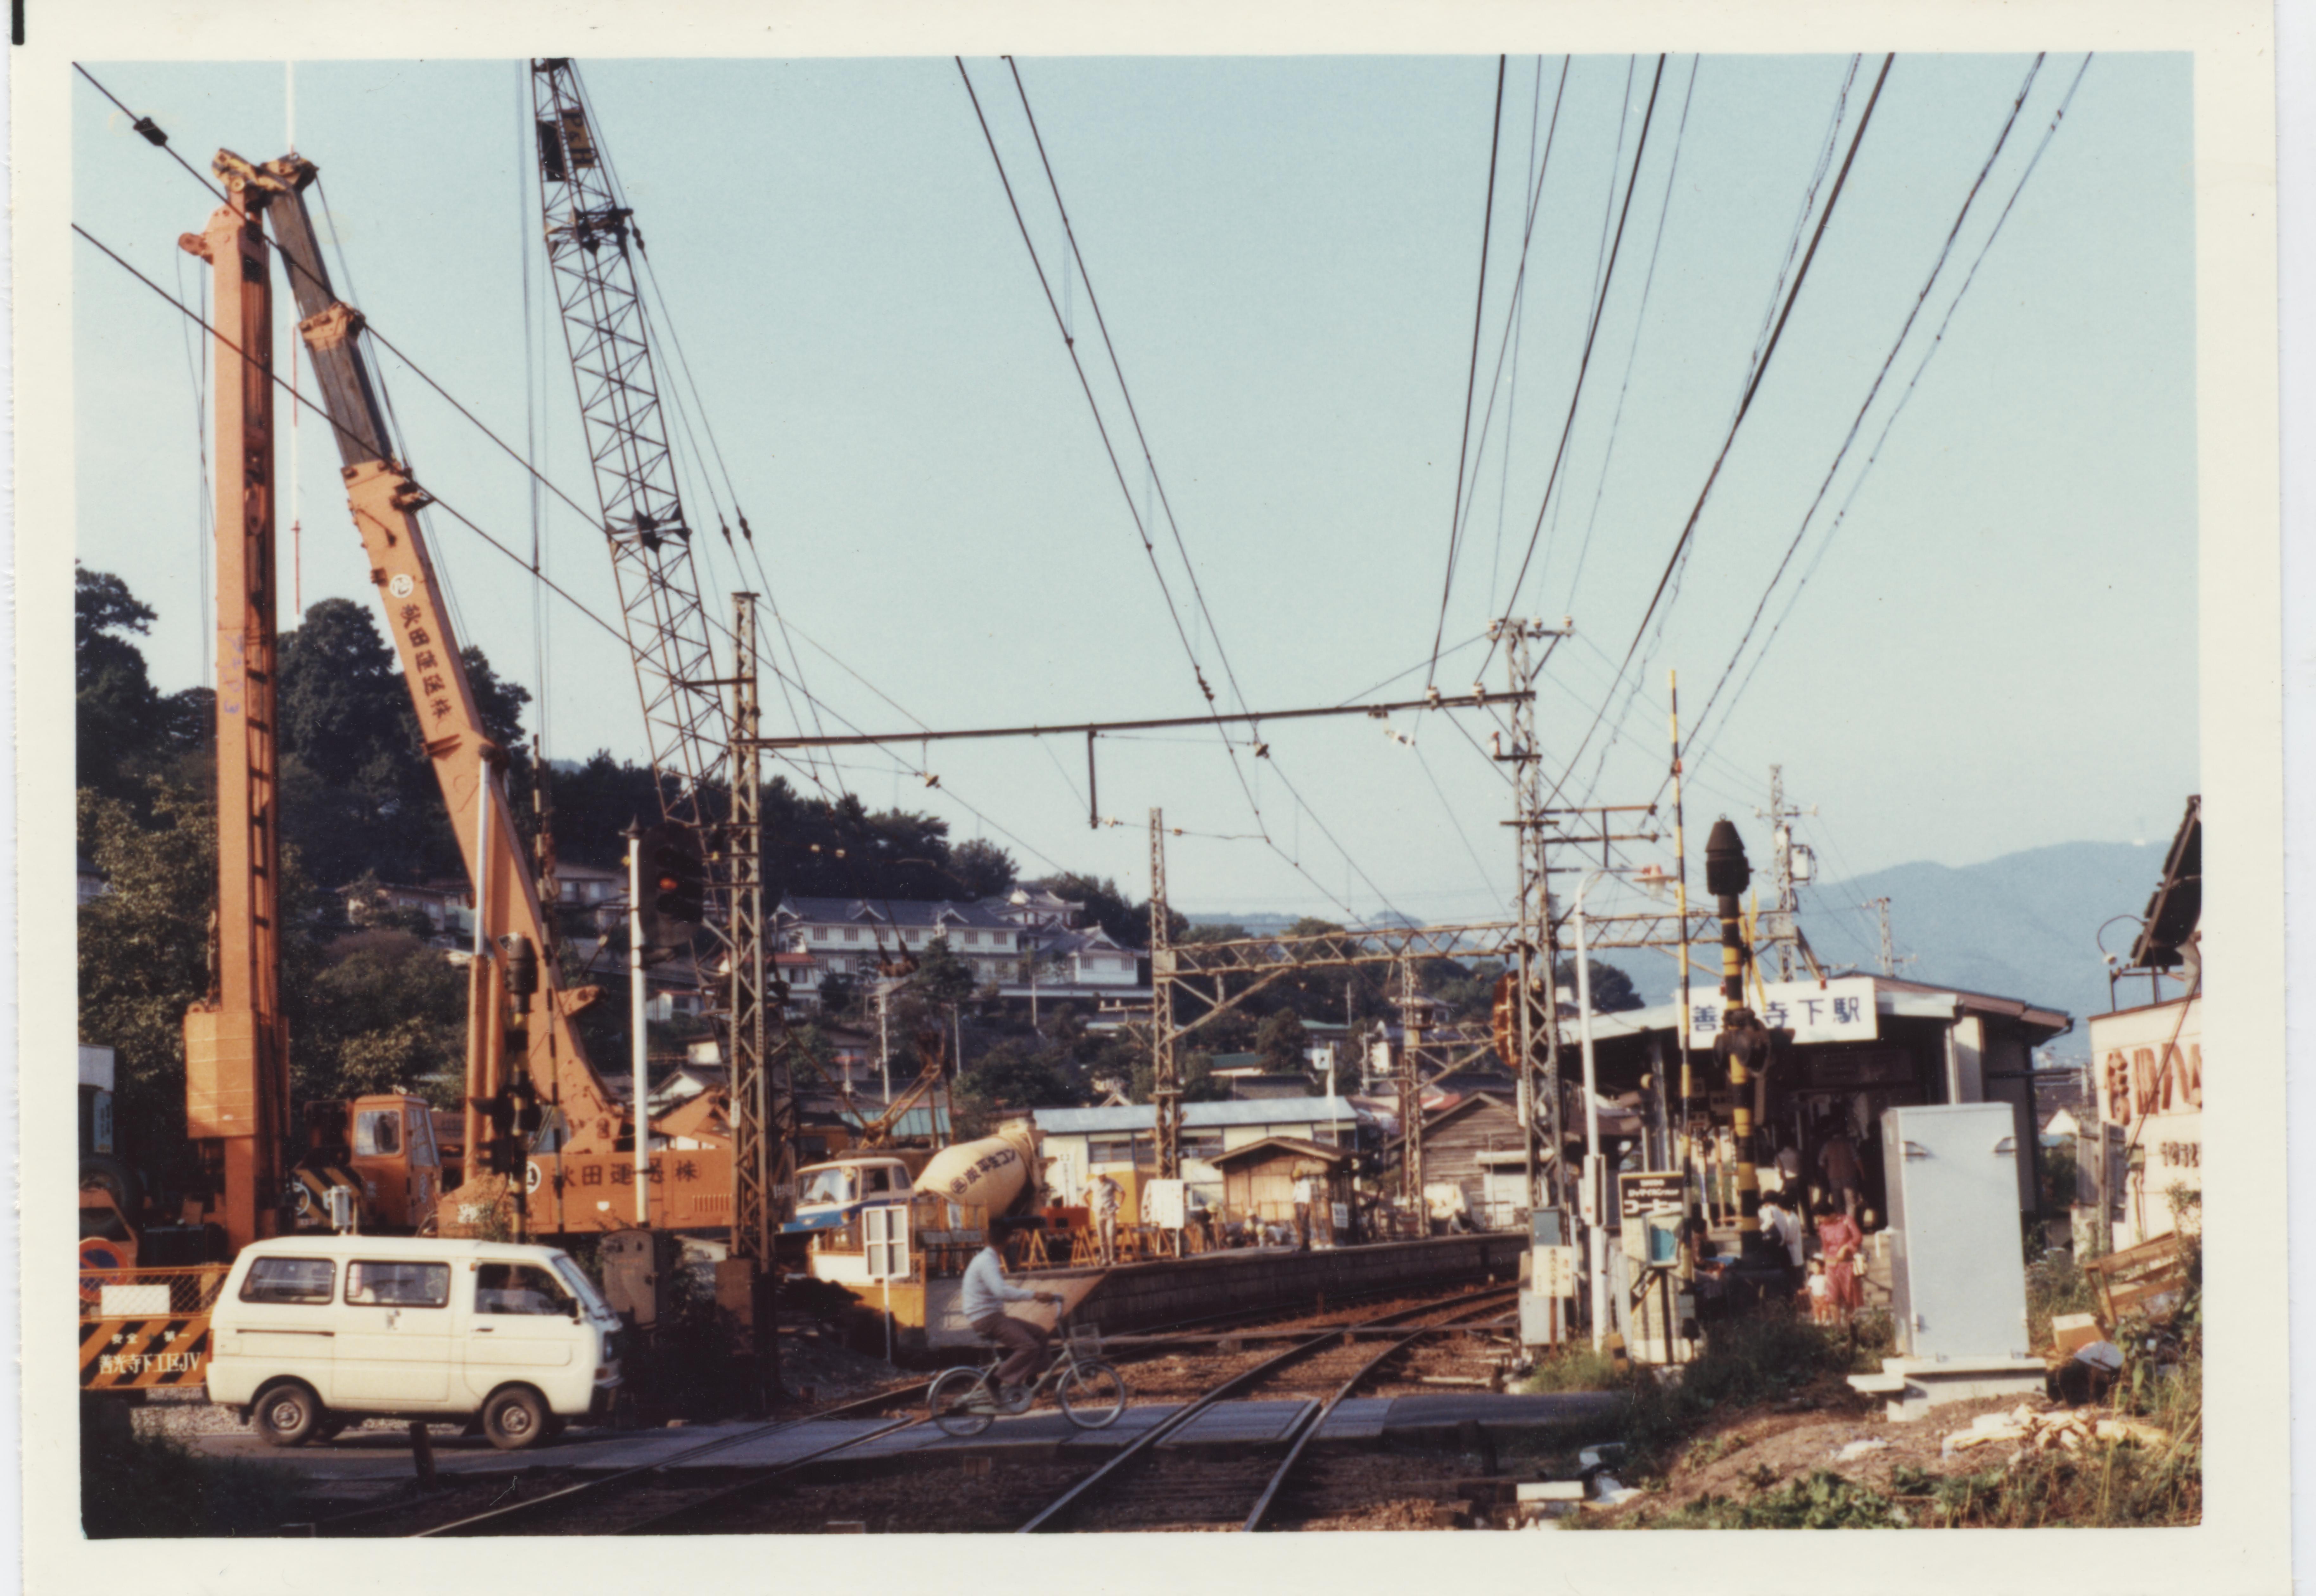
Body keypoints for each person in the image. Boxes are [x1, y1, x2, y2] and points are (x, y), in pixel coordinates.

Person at [963, 1216, 1064, 1406]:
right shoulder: (987, 1262)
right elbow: (1001, 1292)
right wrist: (1034, 1295)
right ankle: (994, 1381)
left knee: (1040, 1334)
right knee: (1029, 1346)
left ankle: (1032, 1382)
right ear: (1007, 1240)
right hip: (987, 1318)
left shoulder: (987, 1258)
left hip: (991, 1316)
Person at [1814, 1199, 1865, 1318]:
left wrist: (1846, 1248)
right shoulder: (1823, 1227)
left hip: (1847, 1265)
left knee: (1850, 1300)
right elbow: (1825, 1247)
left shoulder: (1847, 1220)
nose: (1820, 1221)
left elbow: (1858, 1238)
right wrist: (1824, 1266)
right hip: (1831, 1266)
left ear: (1830, 1214)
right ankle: (1838, 1330)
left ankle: (1851, 1329)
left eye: (1822, 1217)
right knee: (1832, 1299)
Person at [1817, 1126, 1864, 1220]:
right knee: (1851, 1202)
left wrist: (1828, 1170)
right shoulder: (1849, 1144)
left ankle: (1841, 1223)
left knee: (1838, 1202)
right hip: (1849, 1175)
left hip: (1834, 1177)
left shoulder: (1828, 1145)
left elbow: (1821, 1162)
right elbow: (1857, 1159)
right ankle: (1850, 1224)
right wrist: (1863, 1173)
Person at [1088, 1173, 1122, 1266]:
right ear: (1097, 1176)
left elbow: (1123, 1192)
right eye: (1100, 1176)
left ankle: (1112, 1259)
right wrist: (1091, 1207)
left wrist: (1119, 1205)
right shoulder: (1092, 1184)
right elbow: (1084, 1196)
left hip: (1110, 1213)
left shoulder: (1112, 1183)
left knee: (1111, 1235)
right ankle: (1105, 1259)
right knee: (1102, 1236)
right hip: (1099, 1213)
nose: (1102, 1177)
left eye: (1103, 1175)